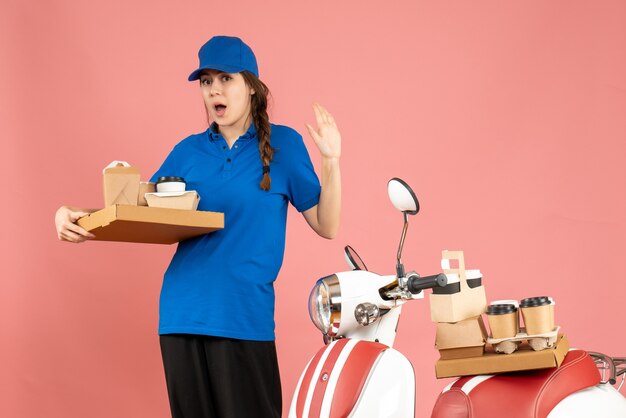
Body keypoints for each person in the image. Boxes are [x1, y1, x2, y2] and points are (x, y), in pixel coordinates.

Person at [55, 35, 341, 418]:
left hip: (243, 316)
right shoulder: (188, 151)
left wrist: (332, 161)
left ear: (251, 87)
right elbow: (136, 210)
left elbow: (327, 224)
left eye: (225, 79)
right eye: (206, 82)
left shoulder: (284, 145)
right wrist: (71, 212)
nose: (213, 91)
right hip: (181, 313)